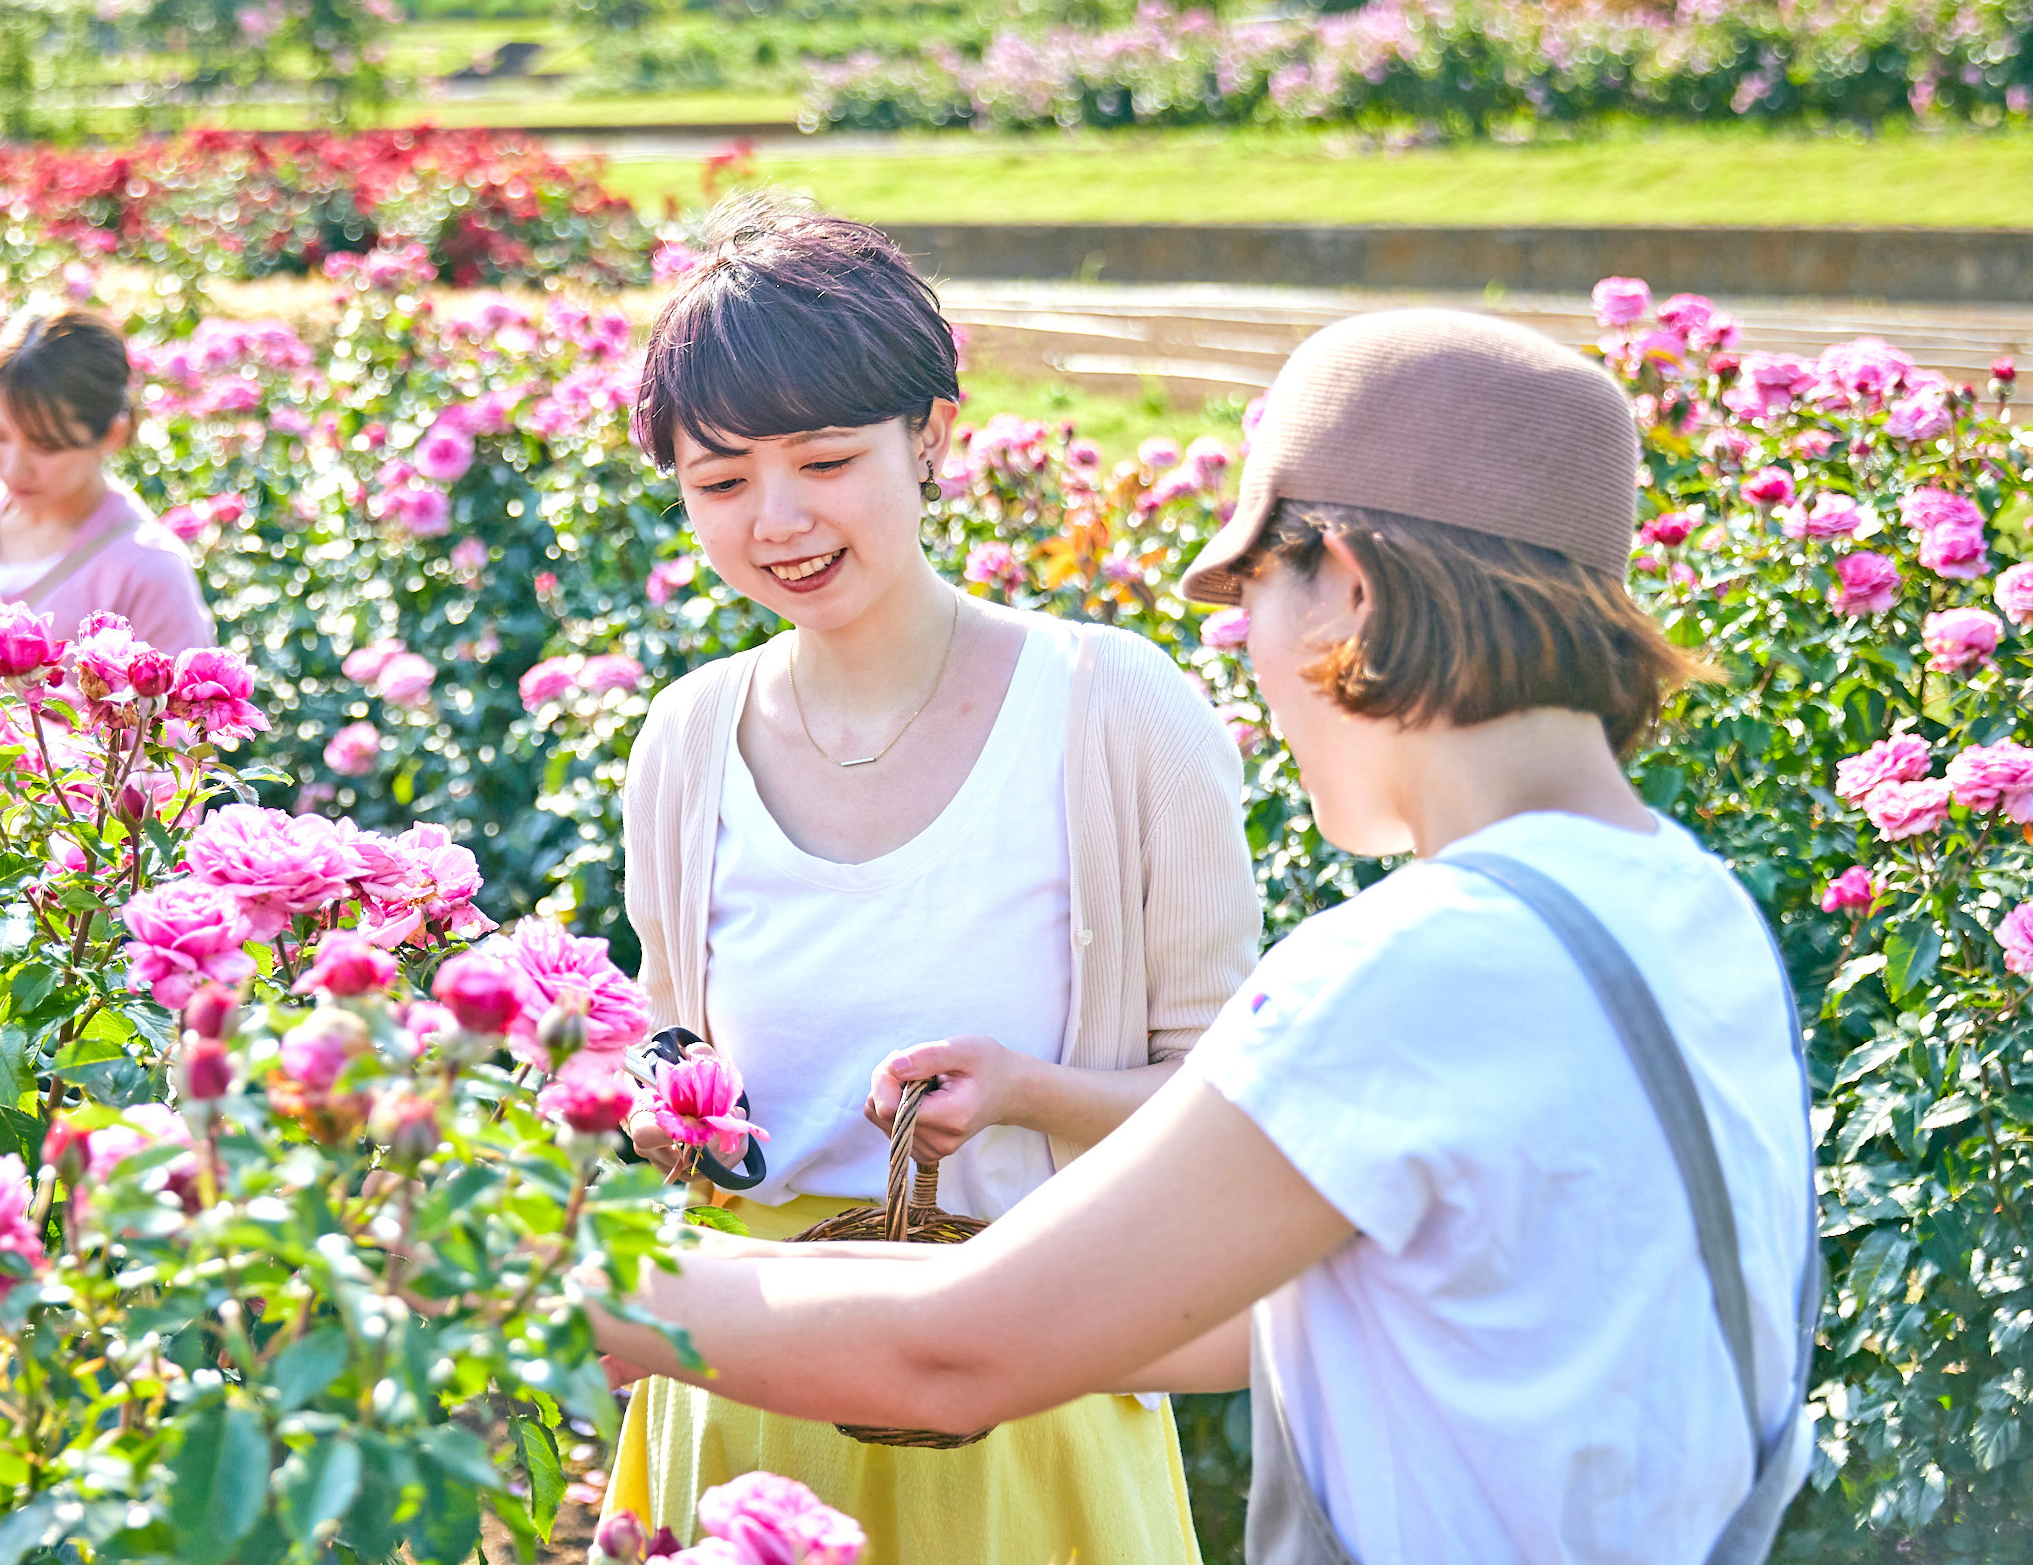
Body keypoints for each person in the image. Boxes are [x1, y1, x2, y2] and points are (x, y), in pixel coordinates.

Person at [593, 307, 1821, 1565]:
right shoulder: (1690, 913)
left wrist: (545, 1272)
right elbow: (1228, 1326)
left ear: (1345, 591)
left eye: (1250, 596)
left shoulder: (1408, 974)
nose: (1251, 659)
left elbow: (958, 1353)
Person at [603, 199, 1259, 1564]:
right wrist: (661, 1120)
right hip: (743, 1387)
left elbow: (1233, 1105)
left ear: (935, 437)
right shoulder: (684, 742)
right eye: (720, 482)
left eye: (825, 461)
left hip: (1020, 1374)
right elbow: (682, 1062)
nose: (777, 520)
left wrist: (1027, 1092)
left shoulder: (1108, 706)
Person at [0, 304, 212, 653]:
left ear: (112, 434)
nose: (14, 467)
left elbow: (180, 708)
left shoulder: (149, 571)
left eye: (46, 447)